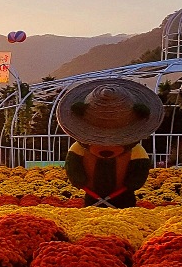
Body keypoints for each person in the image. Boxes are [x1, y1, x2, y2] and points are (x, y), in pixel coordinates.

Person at [56, 78, 164, 208]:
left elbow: (139, 170)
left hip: (124, 196)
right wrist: (78, 179)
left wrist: (132, 183)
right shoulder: (79, 149)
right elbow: (74, 166)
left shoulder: (135, 151)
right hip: (93, 195)